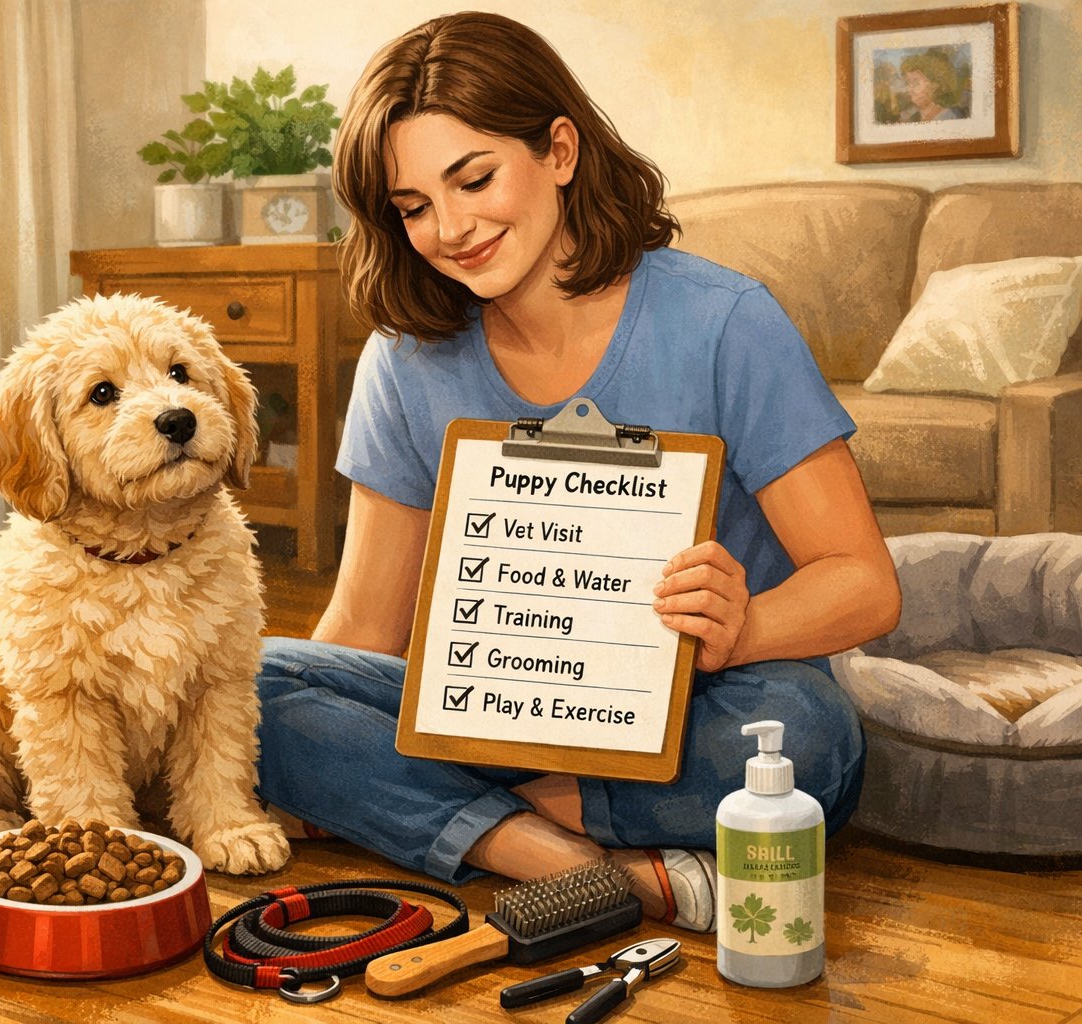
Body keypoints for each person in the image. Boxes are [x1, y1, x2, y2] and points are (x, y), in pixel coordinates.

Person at [253, 11, 900, 932]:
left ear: (559, 149)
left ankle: (457, 822)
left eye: (474, 178)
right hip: (484, 701)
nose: (453, 228)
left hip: (701, 703)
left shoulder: (727, 321)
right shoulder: (403, 360)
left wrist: (743, 623)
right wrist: (311, 722)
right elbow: (363, 628)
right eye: (413, 207)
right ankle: (579, 864)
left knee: (808, 742)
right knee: (246, 687)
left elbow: (866, 586)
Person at [899, 51, 964, 122]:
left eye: (915, 83)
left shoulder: (952, 117)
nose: (908, 89)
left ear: (935, 85)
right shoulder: (909, 116)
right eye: (908, 83)